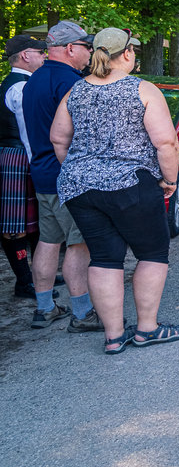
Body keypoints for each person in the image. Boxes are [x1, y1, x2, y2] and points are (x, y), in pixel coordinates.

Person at [49, 27, 179, 354]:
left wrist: (83, 170)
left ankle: (113, 336)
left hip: (80, 188)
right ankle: (147, 329)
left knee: (105, 257)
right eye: (133, 50)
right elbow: (166, 142)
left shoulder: (76, 91)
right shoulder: (142, 89)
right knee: (152, 253)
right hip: (129, 184)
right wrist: (169, 180)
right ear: (126, 54)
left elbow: (57, 138)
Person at [21, 21, 98, 332]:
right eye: (86, 47)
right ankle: (82, 314)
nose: (90, 53)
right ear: (70, 48)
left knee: (49, 241)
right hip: (67, 173)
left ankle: (44, 307)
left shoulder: (33, 79)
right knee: (79, 244)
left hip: (40, 170)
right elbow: (80, 134)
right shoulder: (73, 83)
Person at [1, 35, 46, 298]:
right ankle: (24, 280)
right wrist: (36, 162)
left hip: (17, 157)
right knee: (15, 226)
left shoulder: (23, 84)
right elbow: (27, 131)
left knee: (35, 222)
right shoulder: (19, 88)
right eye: (40, 53)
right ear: (26, 55)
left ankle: (38, 274)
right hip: (18, 158)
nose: (44, 57)